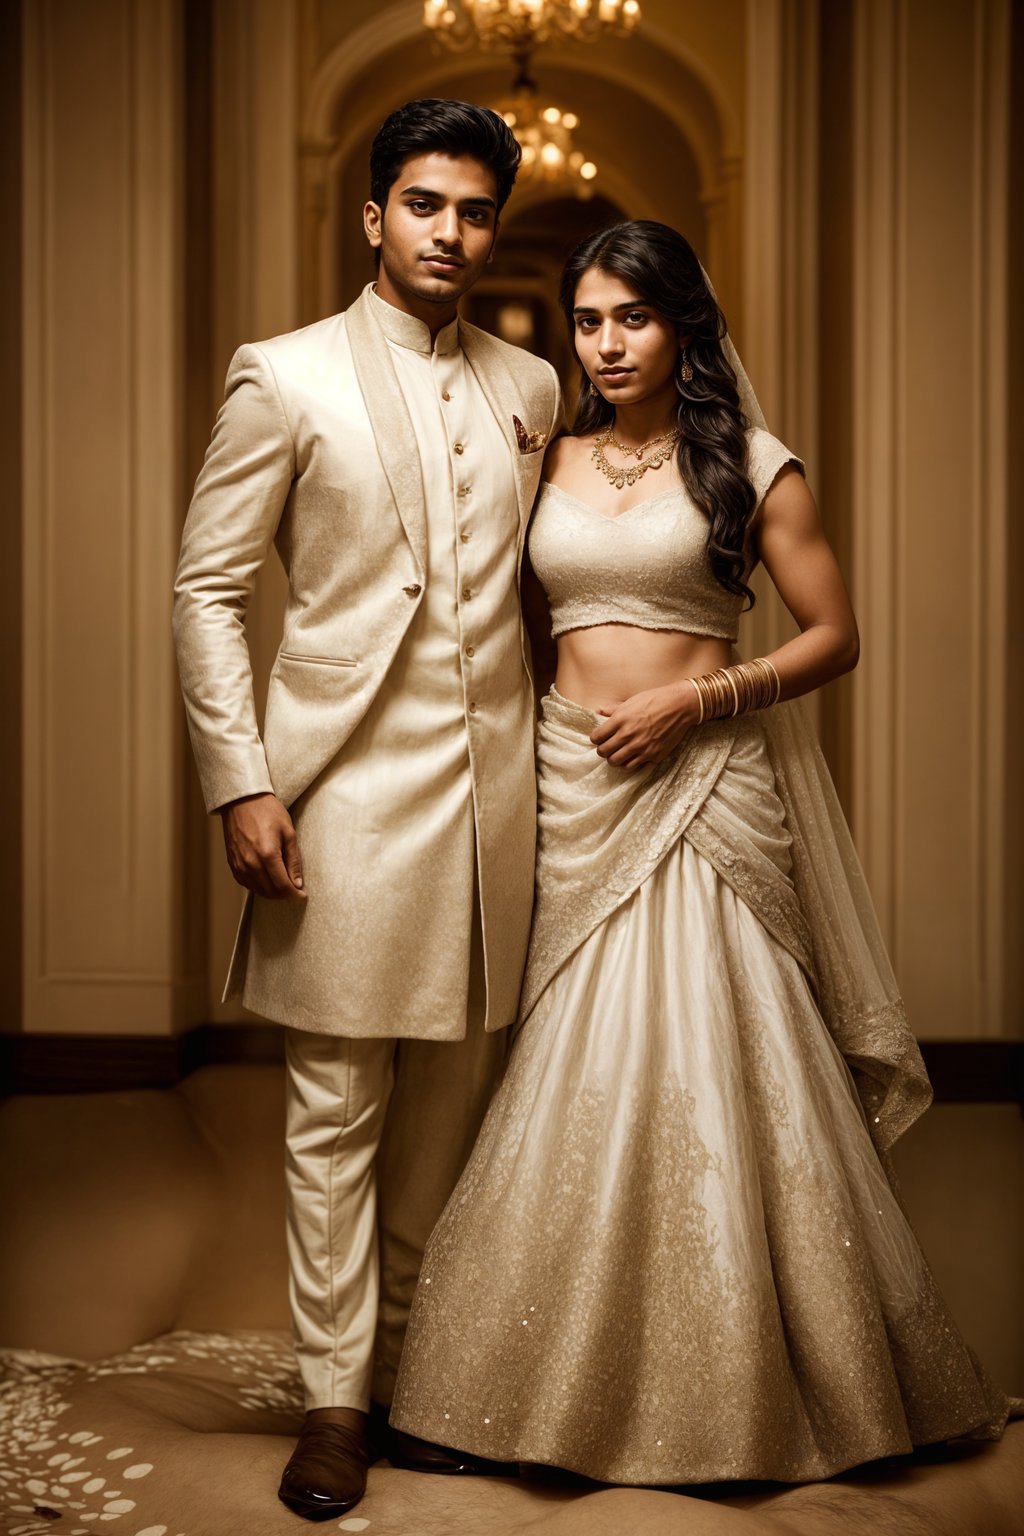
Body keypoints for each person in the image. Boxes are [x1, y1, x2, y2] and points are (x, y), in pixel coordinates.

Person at [388, 220, 1014, 1485]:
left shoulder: (753, 468)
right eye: (587, 321)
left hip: (708, 782)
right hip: (573, 782)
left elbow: (833, 634)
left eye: (633, 318)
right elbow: (497, 627)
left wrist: (700, 702)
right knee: (566, 1060)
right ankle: (519, 1386)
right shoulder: (542, 460)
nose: (606, 344)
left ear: (686, 326)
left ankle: (744, 1392)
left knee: (718, 1056)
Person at [172, 99, 561, 1520]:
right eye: (424, 205)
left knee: (454, 1111)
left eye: (473, 211)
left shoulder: (531, 389)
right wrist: (244, 780)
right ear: (372, 216)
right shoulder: (282, 376)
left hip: (502, 808)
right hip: (338, 793)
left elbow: (541, 590)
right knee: (334, 1110)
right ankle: (336, 1403)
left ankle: (414, 1385)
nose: (450, 233)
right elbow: (207, 590)